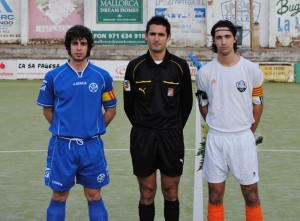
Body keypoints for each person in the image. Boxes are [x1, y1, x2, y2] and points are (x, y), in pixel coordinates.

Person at [36, 25, 117, 221]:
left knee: (94, 195)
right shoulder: (53, 76)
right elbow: (48, 110)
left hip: (92, 146)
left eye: (83, 43)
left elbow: (111, 109)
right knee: (59, 196)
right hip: (62, 146)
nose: (79, 48)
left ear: (89, 46)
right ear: (68, 46)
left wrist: (94, 127)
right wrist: (65, 128)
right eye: (74, 43)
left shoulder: (102, 76)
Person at [123, 16, 193, 221]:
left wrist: (172, 127)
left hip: (171, 136)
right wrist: (144, 125)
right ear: (146, 36)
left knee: (171, 192)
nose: (156, 39)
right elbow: (129, 105)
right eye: (152, 34)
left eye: (161, 34)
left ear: (168, 37)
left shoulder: (180, 67)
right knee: (147, 192)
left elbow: (186, 104)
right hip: (143, 136)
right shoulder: (134, 67)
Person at [195, 20, 264, 221]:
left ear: (235, 38)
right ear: (214, 41)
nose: (223, 42)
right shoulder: (204, 73)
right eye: (218, 37)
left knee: (251, 195)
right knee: (215, 196)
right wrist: (217, 124)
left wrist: (249, 132)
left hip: (243, 139)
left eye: (227, 37)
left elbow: (258, 105)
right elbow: (203, 105)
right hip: (216, 140)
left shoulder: (252, 70)